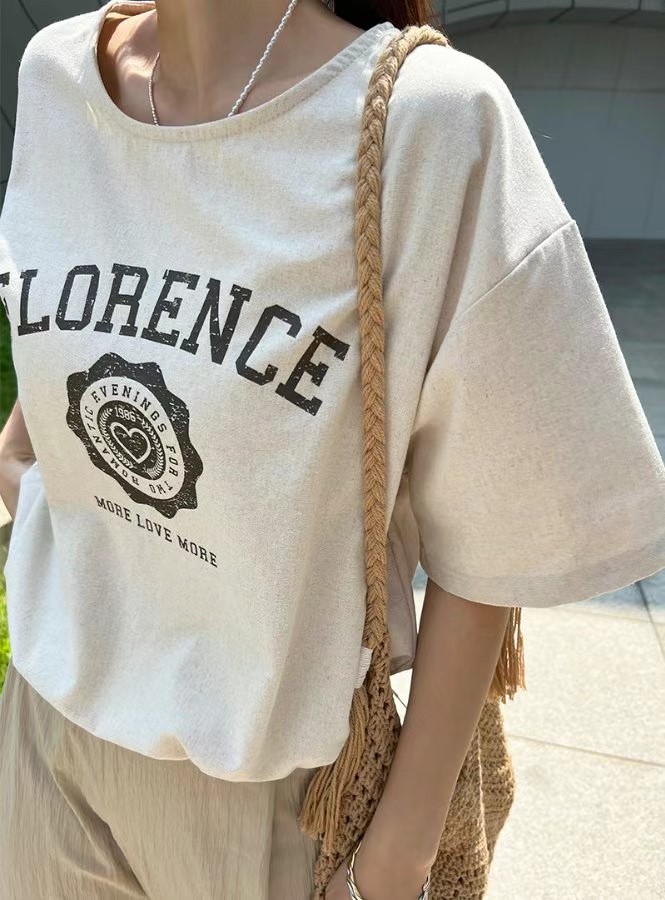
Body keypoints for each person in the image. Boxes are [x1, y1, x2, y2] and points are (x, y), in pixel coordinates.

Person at [1, 0, 664, 898]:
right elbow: (62, 354)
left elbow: (497, 532)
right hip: (44, 734)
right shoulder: (58, 75)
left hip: (272, 799)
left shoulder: (428, 122)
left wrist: (395, 860)